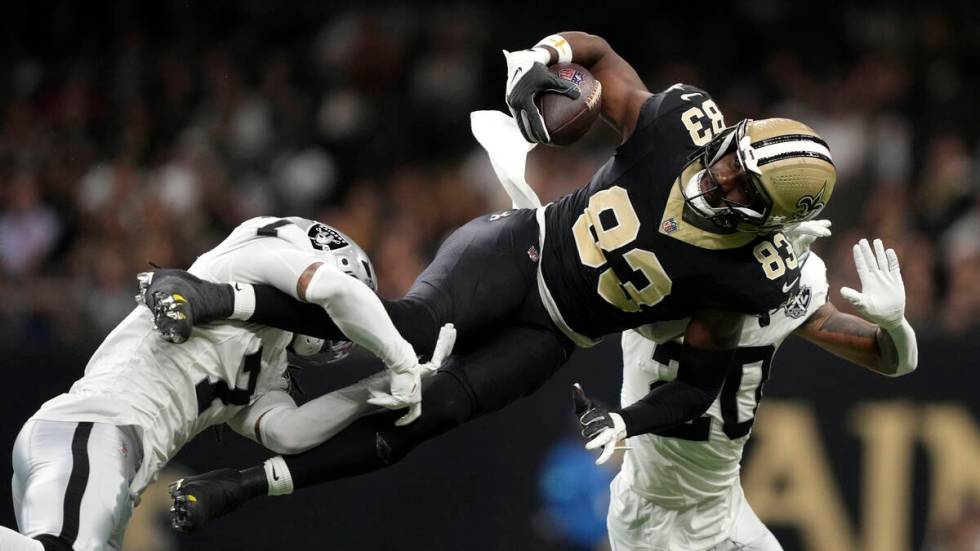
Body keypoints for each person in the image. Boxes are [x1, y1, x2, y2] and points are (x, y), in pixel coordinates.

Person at [141, 31, 840, 532]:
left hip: (557, 334)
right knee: (410, 333)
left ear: (770, 218)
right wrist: (545, 56)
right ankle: (213, 297)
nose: (718, 176)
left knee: (430, 413)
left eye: (741, 185)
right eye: (730, 160)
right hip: (523, 250)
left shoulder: (747, 274)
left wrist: (626, 419)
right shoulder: (678, 124)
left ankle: (234, 487)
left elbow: (696, 384)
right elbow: (597, 52)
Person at [0, 216, 454, 551]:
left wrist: (369, 391)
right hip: (94, 432)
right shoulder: (244, 260)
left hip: (109, 456)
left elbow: (286, 433)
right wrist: (399, 358)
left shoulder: (268, 351)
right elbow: (335, 292)